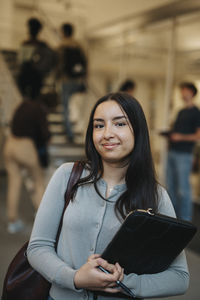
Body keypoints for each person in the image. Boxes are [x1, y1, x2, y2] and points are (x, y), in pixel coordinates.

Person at [27, 92, 189, 300]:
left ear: (138, 131)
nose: (107, 134)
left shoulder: (155, 195)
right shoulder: (67, 176)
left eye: (119, 124)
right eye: (99, 125)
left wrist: (123, 283)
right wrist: (75, 278)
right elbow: (38, 247)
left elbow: (179, 277)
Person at [4, 96, 50, 233]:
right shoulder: (39, 110)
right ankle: (43, 219)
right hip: (25, 147)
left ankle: (12, 221)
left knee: (14, 182)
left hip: (10, 144)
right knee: (38, 181)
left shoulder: (22, 105)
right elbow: (45, 135)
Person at [166, 82, 200, 221]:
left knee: (183, 189)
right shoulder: (180, 111)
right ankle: (172, 217)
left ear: (192, 92)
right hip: (172, 152)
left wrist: (180, 137)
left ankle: (185, 220)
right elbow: (176, 131)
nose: (182, 93)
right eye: (182, 90)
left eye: (185, 90)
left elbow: (198, 135)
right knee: (171, 187)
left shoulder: (196, 112)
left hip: (184, 154)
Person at [56, 23, 87, 142]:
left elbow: (59, 64)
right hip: (77, 80)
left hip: (66, 80)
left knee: (65, 106)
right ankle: (71, 128)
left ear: (63, 32)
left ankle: (69, 133)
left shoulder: (61, 46)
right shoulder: (79, 45)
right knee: (73, 105)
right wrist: (83, 79)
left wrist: (57, 78)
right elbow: (85, 63)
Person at [18, 17, 56, 100]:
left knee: (26, 99)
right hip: (36, 76)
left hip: (29, 75)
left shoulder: (27, 44)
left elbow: (21, 61)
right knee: (33, 99)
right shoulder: (42, 45)